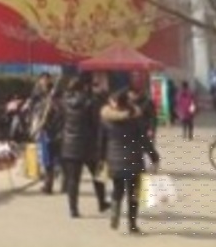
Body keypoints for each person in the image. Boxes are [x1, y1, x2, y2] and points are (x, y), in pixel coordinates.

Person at [100, 88, 160, 234]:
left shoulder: (107, 121)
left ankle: (115, 212)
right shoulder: (135, 120)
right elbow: (144, 140)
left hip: (115, 162)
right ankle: (132, 224)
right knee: (134, 194)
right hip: (134, 161)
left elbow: (101, 142)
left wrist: (101, 159)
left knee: (117, 190)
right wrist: (154, 156)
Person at [61, 77, 109, 217]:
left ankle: (73, 209)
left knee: (73, 179)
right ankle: (102, 202)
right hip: (89, 145)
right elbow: (96, 124)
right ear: (84, 87)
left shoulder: (65, 102)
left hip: (69, 145)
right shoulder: (90, 102)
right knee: (99, 175)